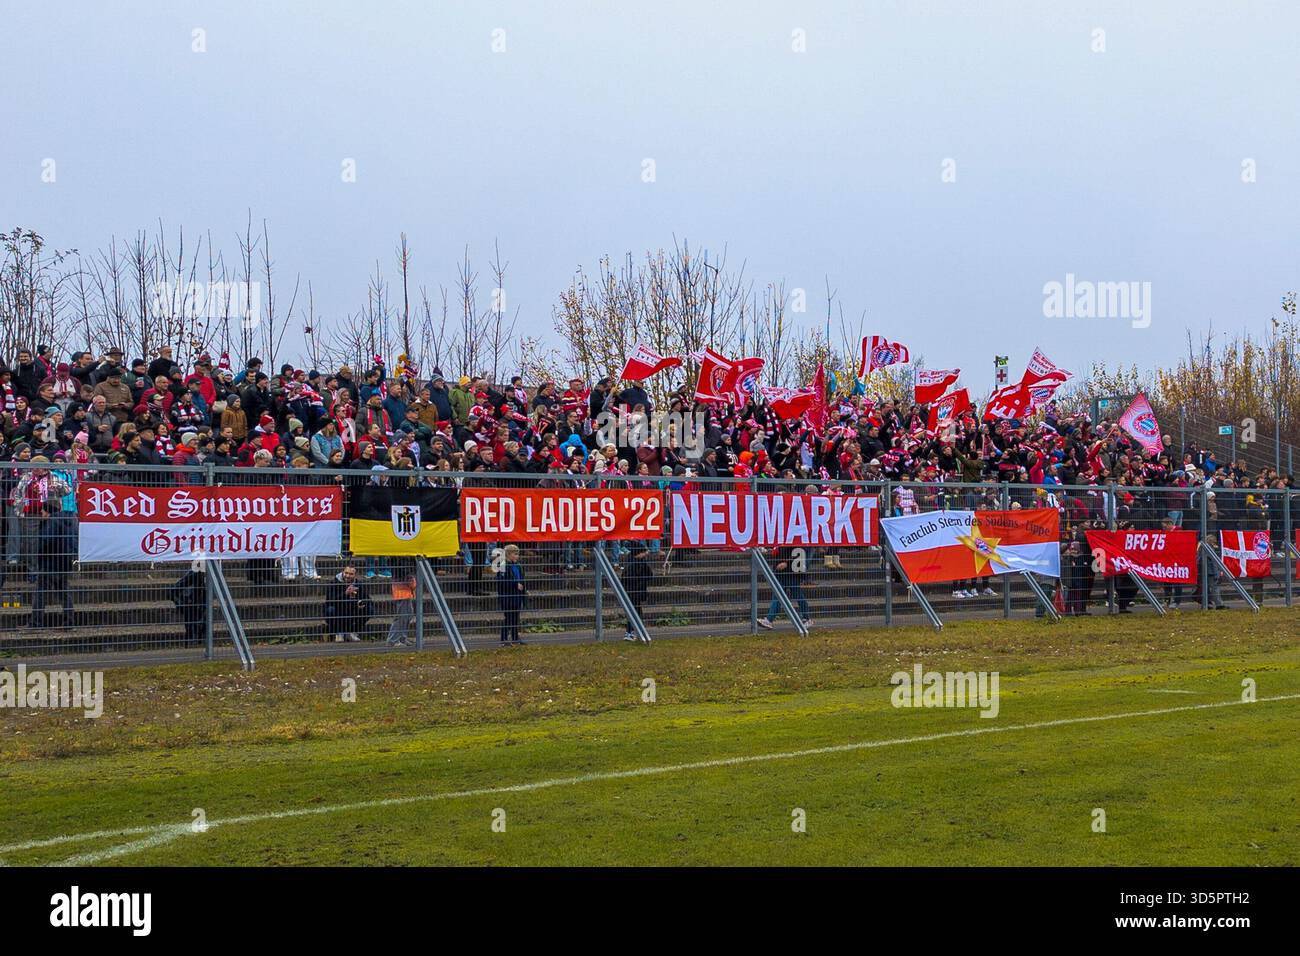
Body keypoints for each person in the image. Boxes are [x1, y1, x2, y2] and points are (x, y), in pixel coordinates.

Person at [30, 498, 77, 628]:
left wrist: (38, 552)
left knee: (40, 593)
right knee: (64, 593)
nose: (41, 512)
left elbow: (45, 540)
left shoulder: (52, 522)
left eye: (43, 510)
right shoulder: (70, 520)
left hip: (49, 563)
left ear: (48, 511)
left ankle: (35, 623)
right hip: (64, 562)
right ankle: (69, 622)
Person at [757, 544, 811, 629]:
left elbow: (799, 552)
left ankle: (807, 618)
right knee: (778, 595)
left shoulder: (792, 539)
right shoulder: (780, 539)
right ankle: (769, 620)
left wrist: (786, 563)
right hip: (781, 572)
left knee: (796, 594)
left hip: (790, 572)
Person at [324, 565, 372, 641]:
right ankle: (339, 633)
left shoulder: (358, 584)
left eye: (351, 574)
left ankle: (353, 632)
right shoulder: (334, 583)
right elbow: (330, 600)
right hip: (338, 610)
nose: (347, 576)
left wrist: (361, 603)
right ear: (342, 572)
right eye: (346, 573)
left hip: (352, 610)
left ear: (355, 575)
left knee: (369, 609)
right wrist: (345, 593)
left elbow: (368, 599)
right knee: (330, 610)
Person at [619, 545, 652, 641]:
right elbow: (649, 575)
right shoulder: (636, 564)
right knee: (634, 613)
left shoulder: (636, 562)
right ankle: (630, 632)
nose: (646, 553)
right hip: (634, 592)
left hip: (634, 592)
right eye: (644, 552)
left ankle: (633, 631)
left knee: (636, 612)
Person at [496, 544, 526, 646]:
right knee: (508, 617)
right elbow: (502, 581)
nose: (517, 556)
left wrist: (523, 588)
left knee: (515, 617)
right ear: (508, 554)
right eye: (515, 554)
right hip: (508, 597)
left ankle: (515, 638)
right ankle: (503, 639)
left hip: (517, 596)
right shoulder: (503, 566)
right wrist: (514, 584)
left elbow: (521, 578)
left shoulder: (517, 566)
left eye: (518, 554)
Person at [170, 566, 208, 645]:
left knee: (200, 622)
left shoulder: (207, 575)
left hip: (200, 605)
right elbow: (173, 591)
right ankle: (194, 642)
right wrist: (183, 604)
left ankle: (199, 641)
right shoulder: (194, 574)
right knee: (194, 623)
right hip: (192, 605)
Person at [386, 562, 417, 647]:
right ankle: (393, 640)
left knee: (408, 615)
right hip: (402, 590)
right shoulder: (400, 558)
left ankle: (402, 638)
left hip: (405, 590)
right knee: (401, 616)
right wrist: (410, 578)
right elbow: (402, 571)